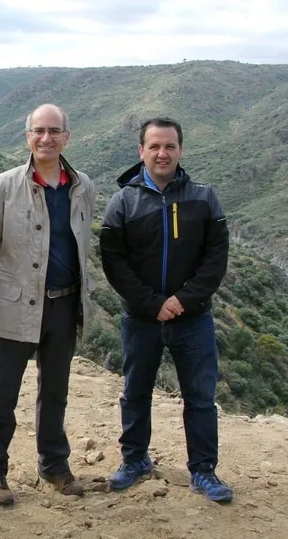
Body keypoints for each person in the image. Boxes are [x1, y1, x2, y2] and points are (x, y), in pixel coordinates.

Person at [98, 117, 233, 503]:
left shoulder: (204, 197)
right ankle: (135, 459)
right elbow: (114, 263)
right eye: (154, 146)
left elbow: (215, 259)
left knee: (201, 397)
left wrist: (181, 301)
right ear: (141, 151)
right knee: (135, 391)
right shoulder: (123, 201)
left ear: (180, 150)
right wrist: (152, 304)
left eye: (169, 146)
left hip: (193, 318)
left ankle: (204, 471)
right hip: (141, 318)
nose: (162, 153)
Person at [0, 104, 96, 505]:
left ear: (67, 137)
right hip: (15, 306)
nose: (46, 138)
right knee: (2, 394)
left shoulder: (83, 187)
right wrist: (13, 282)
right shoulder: (3, 186)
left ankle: (55, 467)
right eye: (39, 130)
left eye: (54, 131)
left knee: (55, 391)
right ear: (27, 136)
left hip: (64, 306)